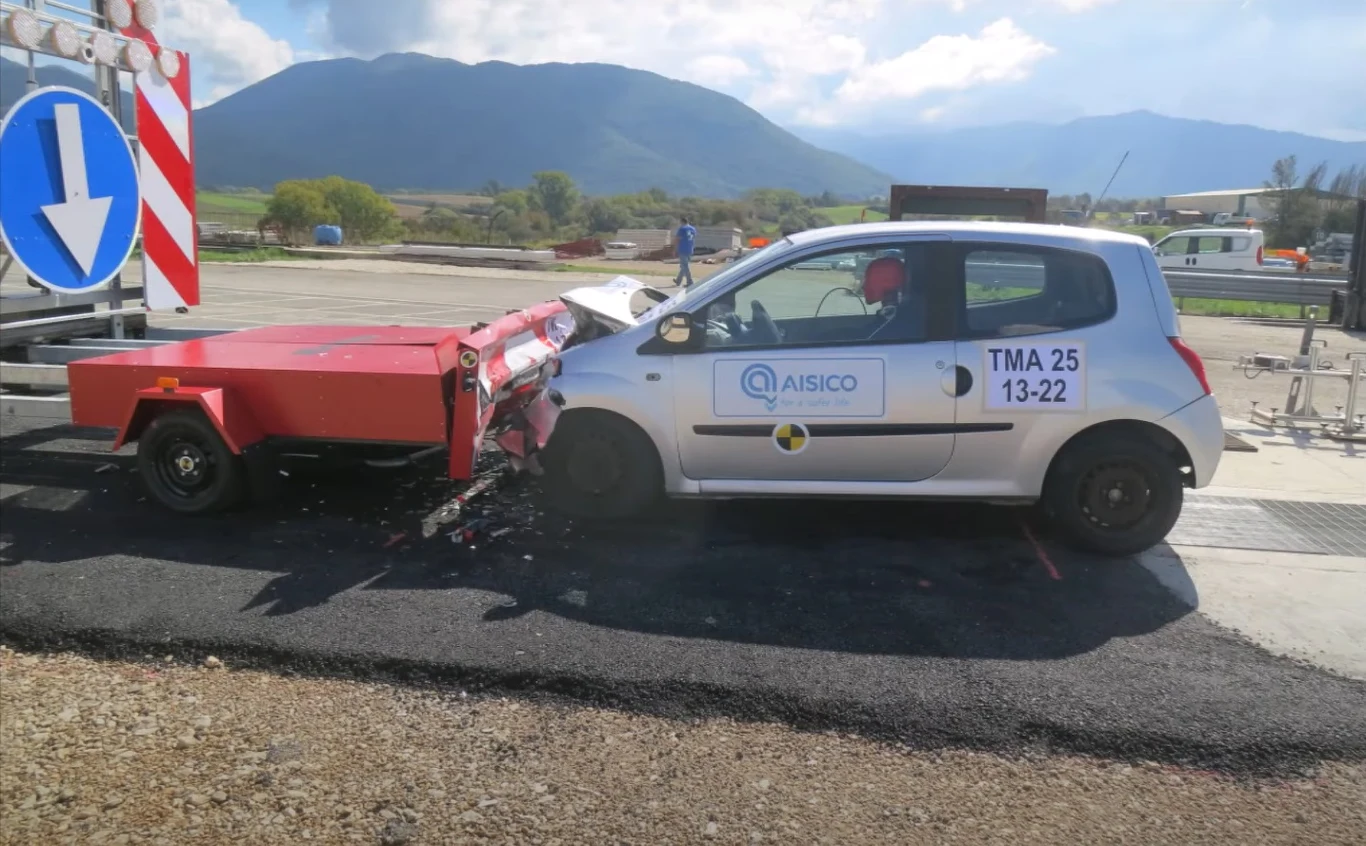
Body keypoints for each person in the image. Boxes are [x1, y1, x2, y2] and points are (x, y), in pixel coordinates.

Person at [674, 217, 697, 287]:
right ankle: (678, 280)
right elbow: (693, 237)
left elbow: (677, 239)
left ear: (682, 222)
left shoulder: (682, 229)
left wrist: (674, 248)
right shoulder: (693, 229)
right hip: (690, 249)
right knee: (684, 266)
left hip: (683, 249)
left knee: (685, 266)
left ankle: (690, 281)